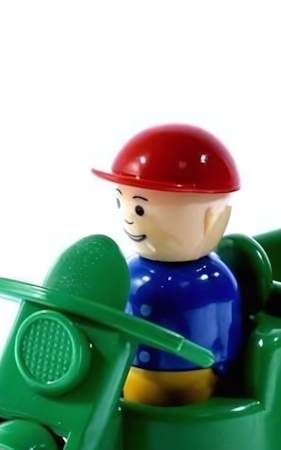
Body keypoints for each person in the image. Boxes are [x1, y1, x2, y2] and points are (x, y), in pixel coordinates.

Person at [92, 124, 243, 406]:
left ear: (212, 215)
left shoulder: (215, 280)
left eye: (140, 208)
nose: (128, 218)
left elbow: (226, 329)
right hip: (134, 373)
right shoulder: (128, 273)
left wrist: (223, 363)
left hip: (198, 376)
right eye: (121, 202)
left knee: (192, 416)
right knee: (135, 410)